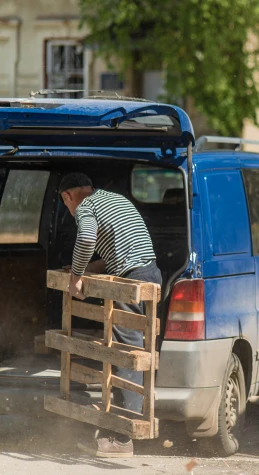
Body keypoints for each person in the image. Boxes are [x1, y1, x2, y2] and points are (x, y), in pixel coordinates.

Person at [59, 172, 161, 458]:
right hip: (150, 273)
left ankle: (122, 438)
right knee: (136, 350)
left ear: (68, 196)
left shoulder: (85, 207)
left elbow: (87, 236)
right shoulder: (114, 200)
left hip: (131, 283)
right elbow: (123, 249)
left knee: (125, 354)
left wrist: (77, 275)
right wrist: (91, 267)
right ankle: (124, 427)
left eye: (66, 203)